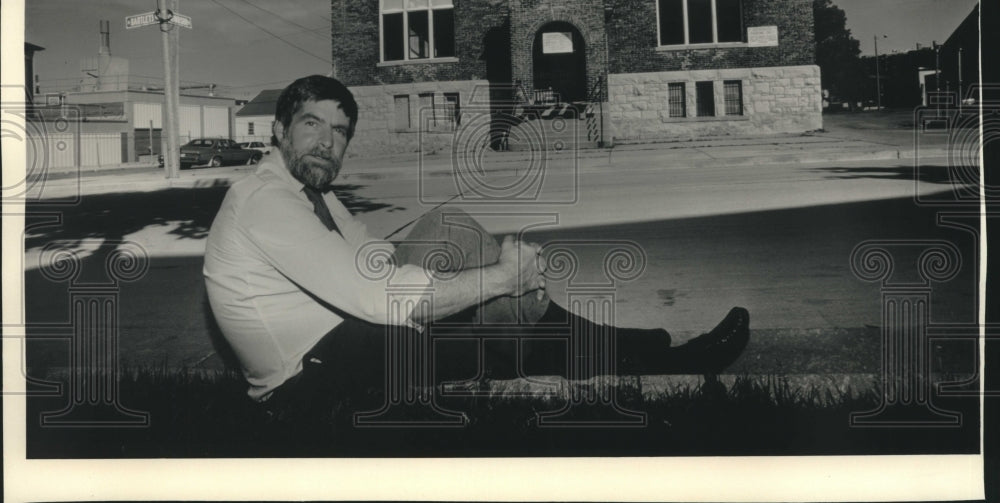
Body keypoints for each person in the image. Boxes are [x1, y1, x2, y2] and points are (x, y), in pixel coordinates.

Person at [204, 75, 749, 421]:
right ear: (279, 130)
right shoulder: (266, 202)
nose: (327, 142)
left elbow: (372, 255)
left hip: (339, 340)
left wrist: (465, 258)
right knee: (490, 321)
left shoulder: (308, 191)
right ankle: (662, 358)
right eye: (311, 125)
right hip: (307, 382)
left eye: (340, 131)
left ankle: (636, 346)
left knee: (449, 225)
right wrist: (503, 279)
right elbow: (386, 298)